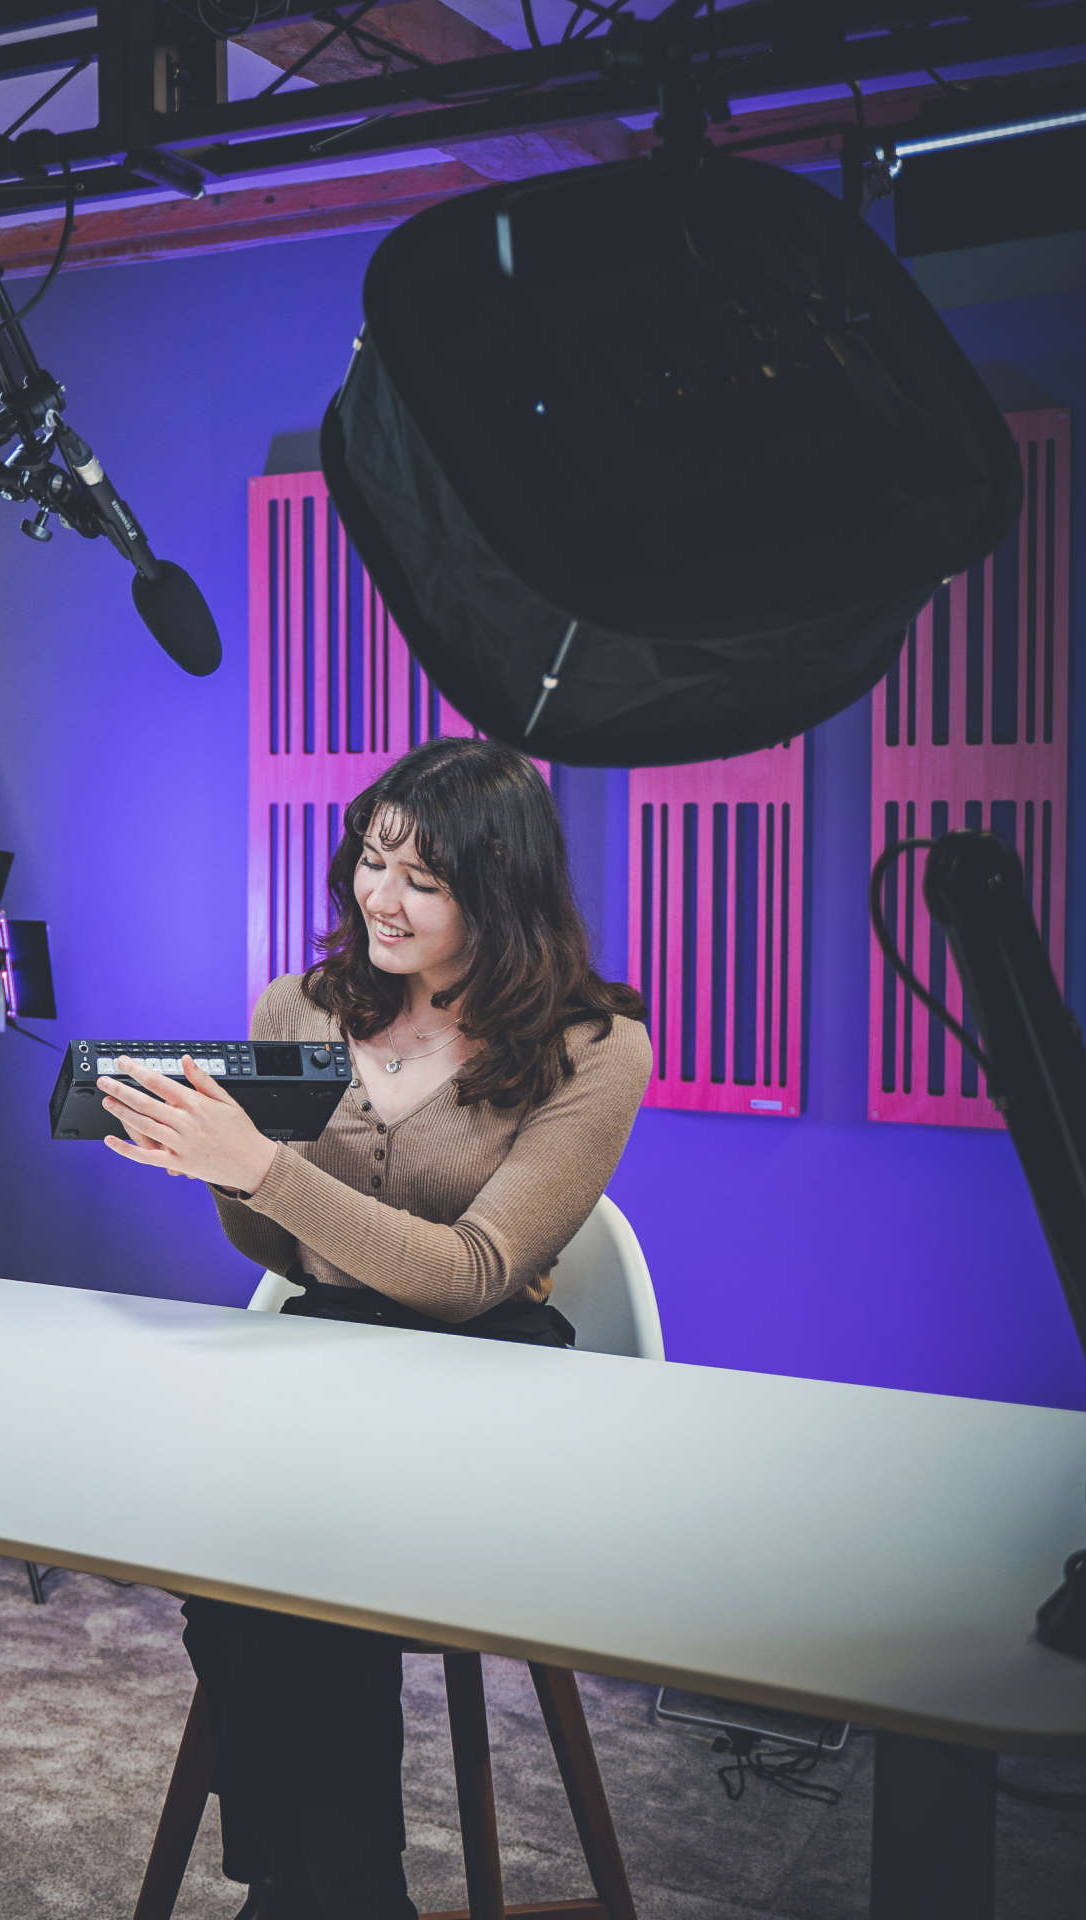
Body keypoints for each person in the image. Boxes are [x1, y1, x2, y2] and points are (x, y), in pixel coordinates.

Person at [93, 736, 649, 1920]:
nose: (378, 898)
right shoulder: (298, 1007)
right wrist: (211, 1164)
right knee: (231, 1563)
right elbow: (277, 1252)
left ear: (498, 893)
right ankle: (335, 1887)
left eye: (424, 879)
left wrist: (261, 1168)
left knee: (315, 1557)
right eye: (372, 859)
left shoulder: (592, 1047)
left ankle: (311, 1890)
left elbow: (476, 1271)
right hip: (321, 1349)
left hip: (491, 1372)